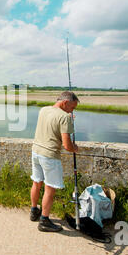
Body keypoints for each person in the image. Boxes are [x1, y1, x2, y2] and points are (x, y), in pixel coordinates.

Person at [30, 91, 79, 232]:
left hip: (36, 151)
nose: (72, 111)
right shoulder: (65, 117)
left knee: (36, 182)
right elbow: (67, 146)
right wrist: (75, 148)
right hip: (50, 156)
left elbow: (54, 120)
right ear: (65, 103)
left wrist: (68, 118)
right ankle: (44, 221)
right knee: (49, 189)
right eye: (72, 107)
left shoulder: (44, 110)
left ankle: (34, 211)